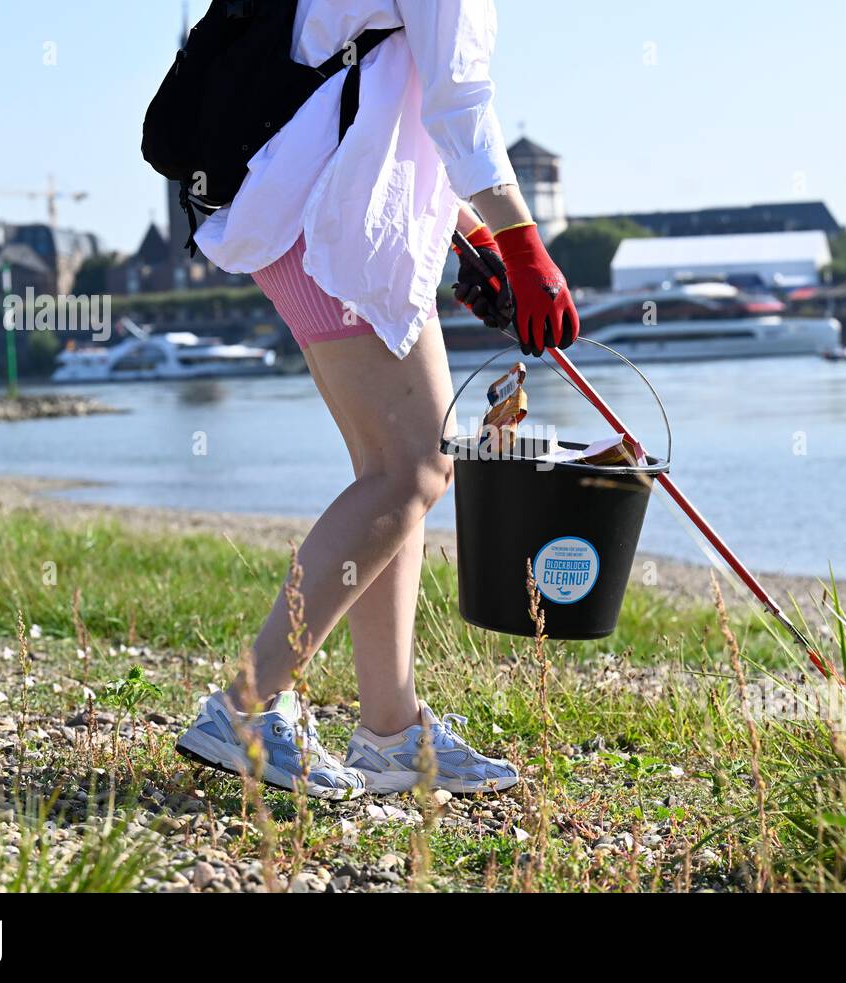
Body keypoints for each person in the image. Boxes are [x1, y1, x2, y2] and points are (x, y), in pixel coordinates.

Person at [175, 0, 579, 798]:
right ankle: (247, 706)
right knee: (414, 467)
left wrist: (468, 231)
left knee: (399, 473)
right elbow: (456, 100)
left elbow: (383, 77)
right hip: (330, 221)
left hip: (340, 214)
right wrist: (525, 245)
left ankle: (390, 730)